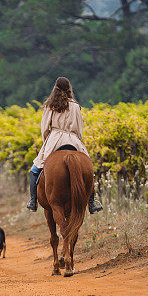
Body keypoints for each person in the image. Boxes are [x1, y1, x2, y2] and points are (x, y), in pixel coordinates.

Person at [26, 77, 103, 214]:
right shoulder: (75, 106)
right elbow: (79, 129)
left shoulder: (50, 105)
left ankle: (33, 201)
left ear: (55, 88)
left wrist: (47, 141)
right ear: (69, 89)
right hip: (73, 139)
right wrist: (77, 140)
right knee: (89, 171)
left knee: (35, 169)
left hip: (54, 139)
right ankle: (91, 203)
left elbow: (44, 128)